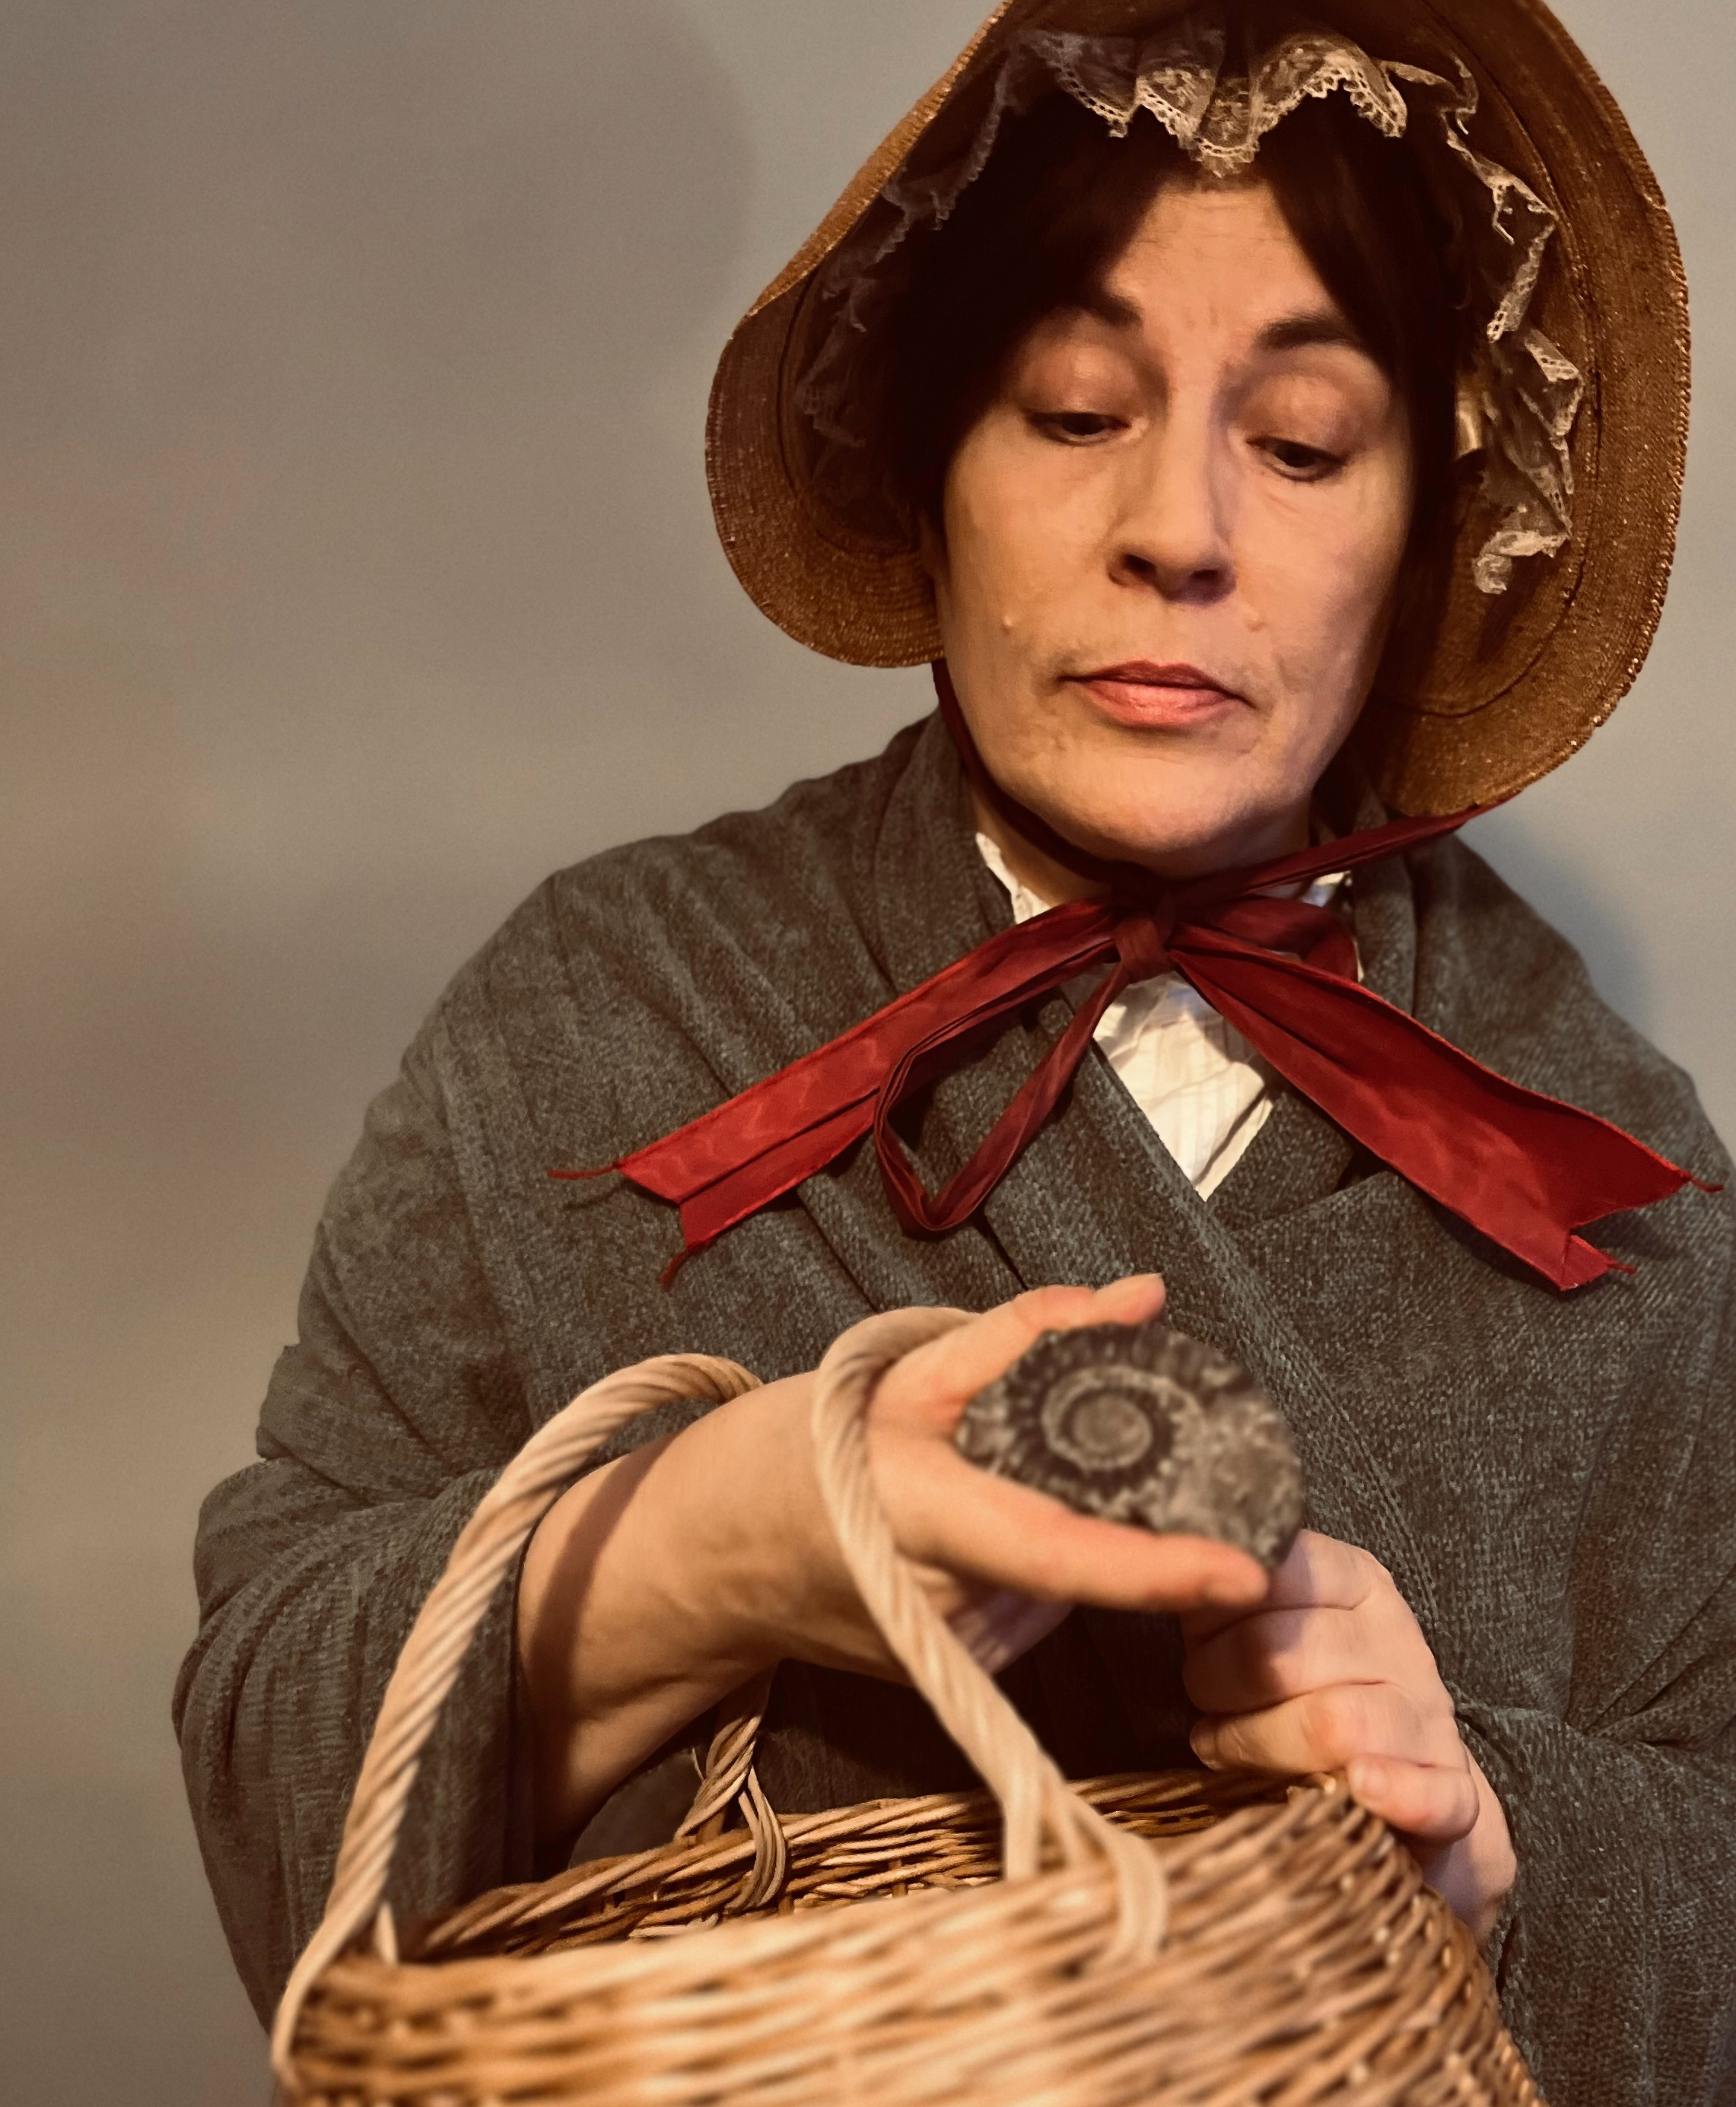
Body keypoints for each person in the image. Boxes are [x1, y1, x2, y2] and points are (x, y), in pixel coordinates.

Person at [175, 3, 1736, 2101]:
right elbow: (267, 1746)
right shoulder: (606, 1001)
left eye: (1298, 443)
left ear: (1434, 525)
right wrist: (724, 1533)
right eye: (1071, 406)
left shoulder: (1602, 1161)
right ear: (935, 469)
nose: (1177, 528)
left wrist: (1490, 1823)